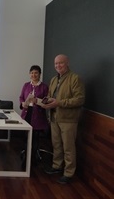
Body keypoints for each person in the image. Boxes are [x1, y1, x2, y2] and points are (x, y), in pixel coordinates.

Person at [42, 54, 85, 184]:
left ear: (67, 63)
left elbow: (80, 100)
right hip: (54, 117)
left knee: (68, 147)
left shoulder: (75, 79)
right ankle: (56, 166)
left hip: (68, 120)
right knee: (56, 145)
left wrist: (58, 103)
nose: (58, 66)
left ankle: (69, 173)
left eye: (61, 63)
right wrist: (47, 101)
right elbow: (51, 95)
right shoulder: (54, 79)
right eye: (56, 64)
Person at [19, 65, 49, 165]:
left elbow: (46, 101)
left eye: (36, 73)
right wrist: (22, 103)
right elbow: (21, 97)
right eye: (32, 73)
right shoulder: (26, 85)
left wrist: (37, 101)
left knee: (35, 136)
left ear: (40, 74)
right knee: (26, 135)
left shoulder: (44, 87)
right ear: (29, 74)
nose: (33, 75)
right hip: (27, 112)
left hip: (38, 115)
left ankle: (33, 156)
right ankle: (26, 155)